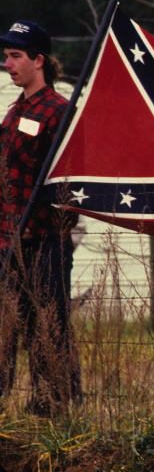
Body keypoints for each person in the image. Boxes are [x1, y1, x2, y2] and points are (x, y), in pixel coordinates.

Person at [0, 20, 81, 415]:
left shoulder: (58, 111)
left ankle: (52, 403)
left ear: (39, 61)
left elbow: (67, 181)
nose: (7, 63)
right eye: (7, 55)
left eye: (16, 56)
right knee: (10, 321)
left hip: (44, 239)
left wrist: (56, 232)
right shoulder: (17, 109)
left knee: (48, 323)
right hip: (9, 237)